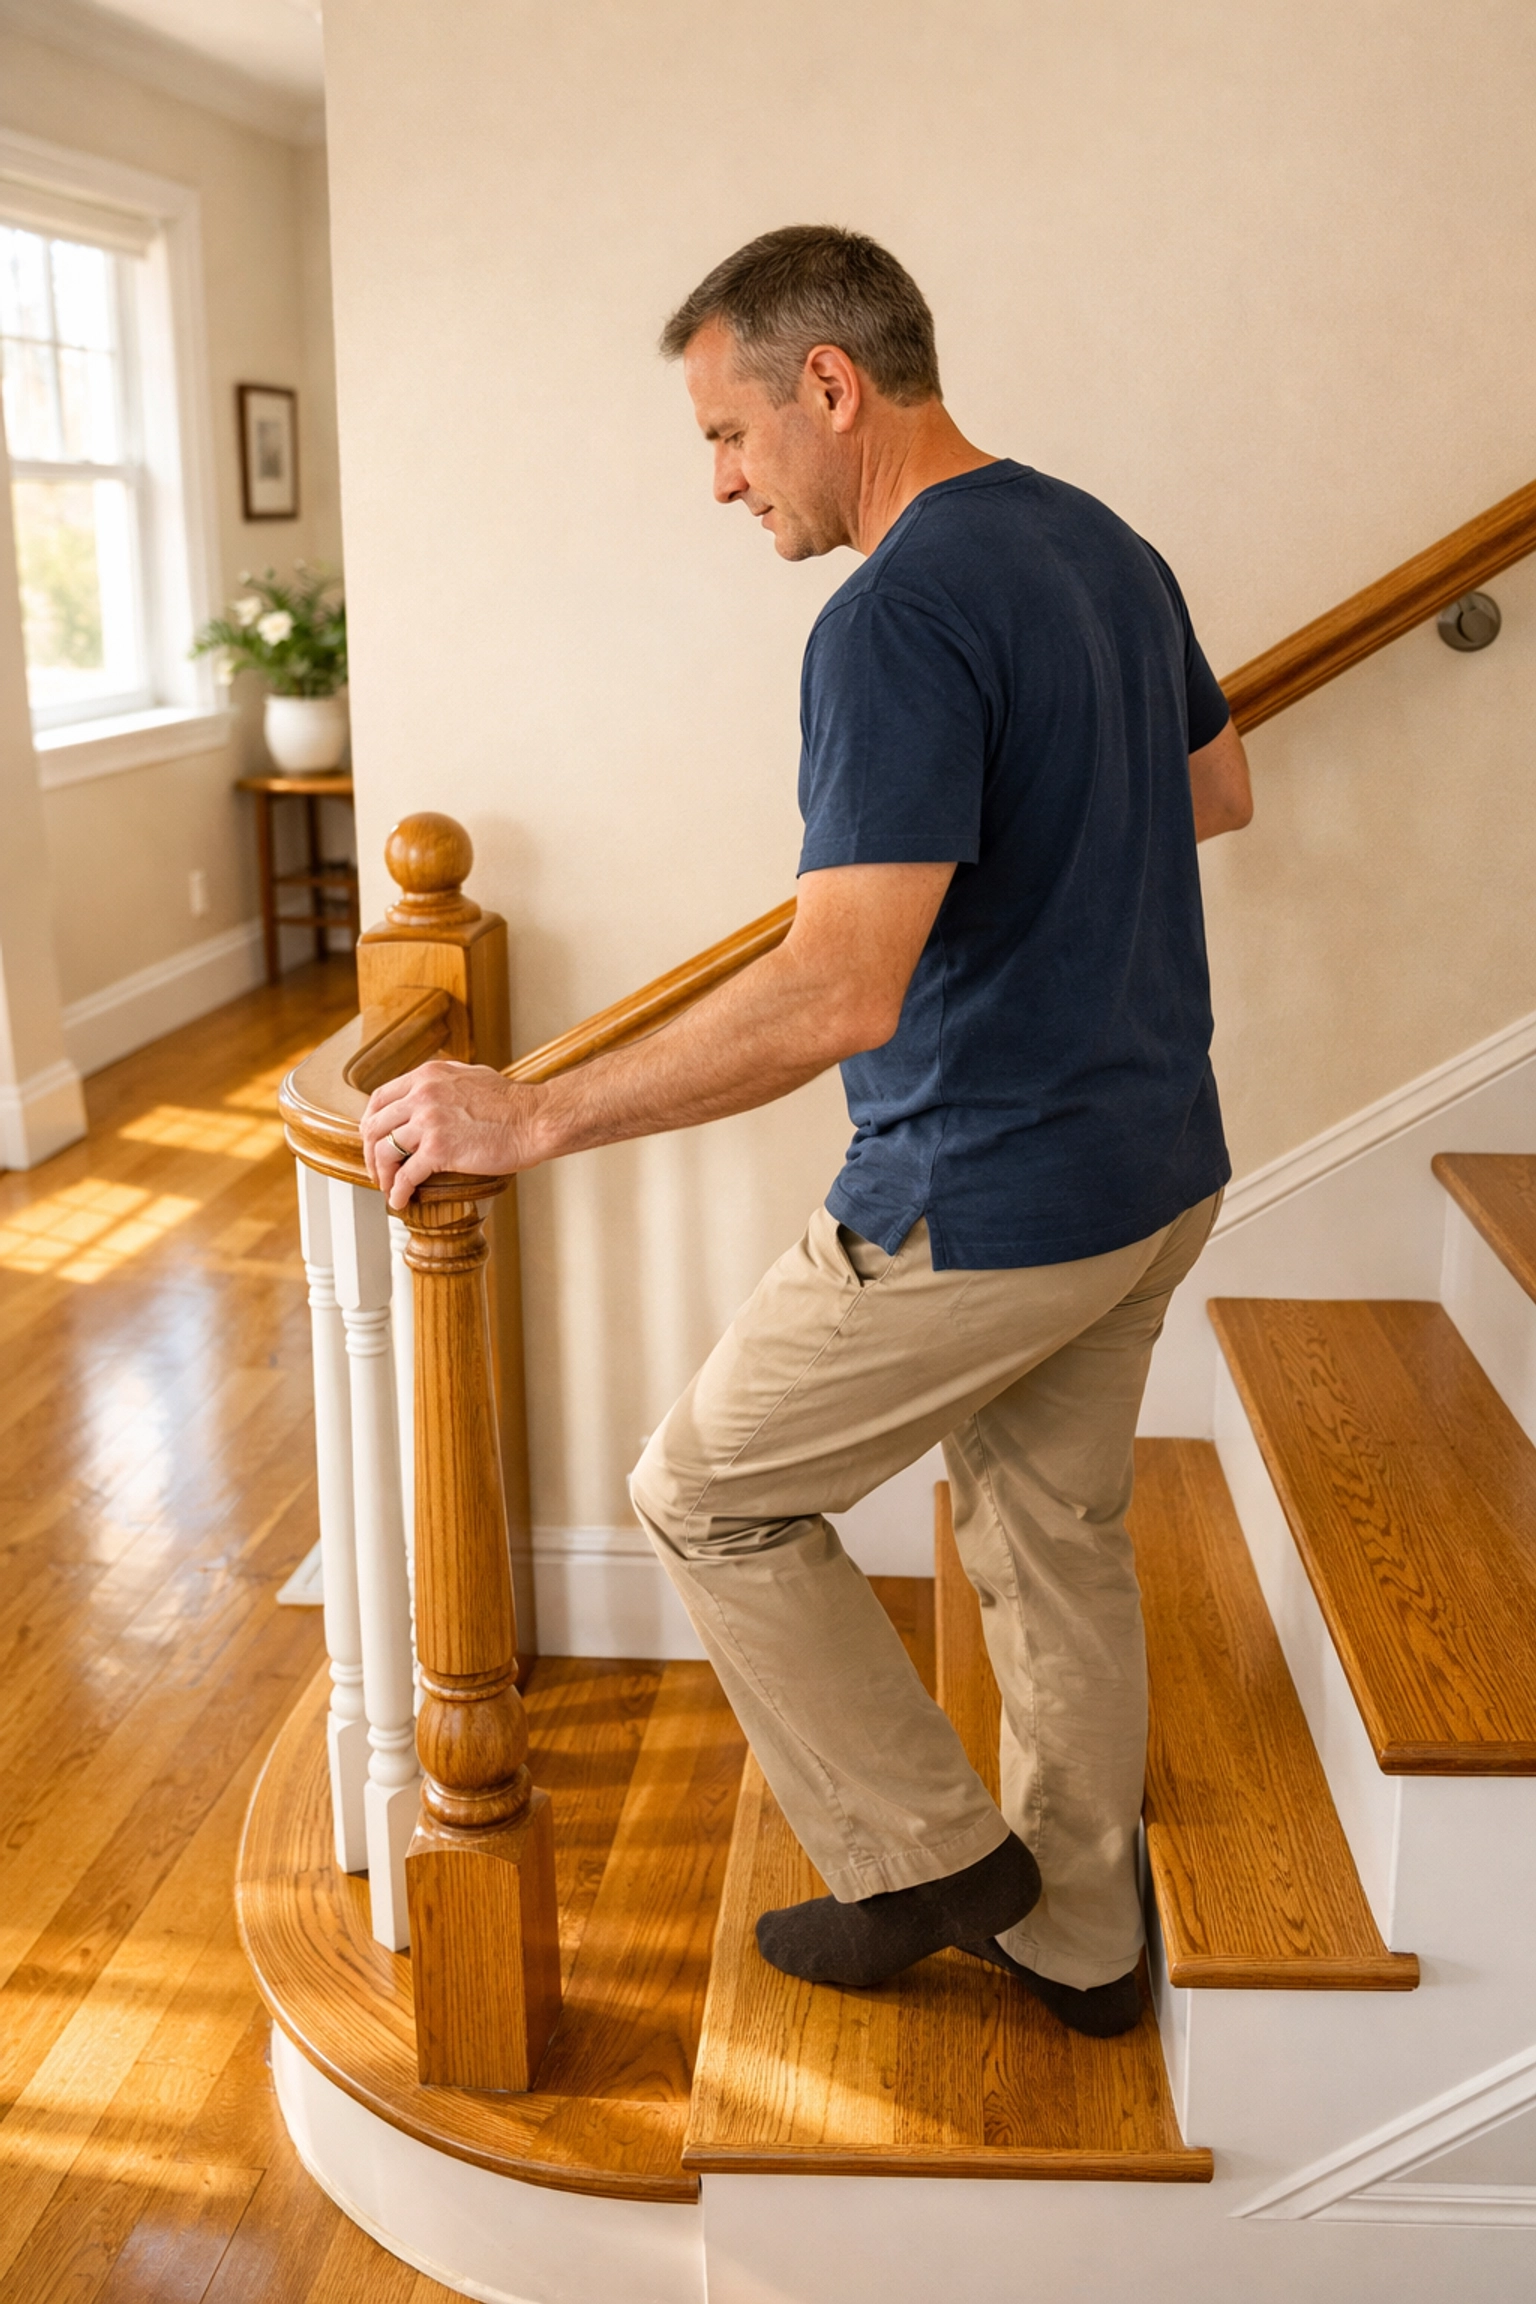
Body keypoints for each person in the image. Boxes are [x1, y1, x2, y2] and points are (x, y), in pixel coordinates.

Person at [361, 225, 1252, 2039]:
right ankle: (1085, 1941)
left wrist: (529, 1111)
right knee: (1052, 1537)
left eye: (729, 433)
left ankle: (930, 1864)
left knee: (706, 1495)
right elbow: (1216, 791)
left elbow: (838, 992)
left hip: (988, 1193)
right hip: (1157, 1163)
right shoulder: (1101, 542)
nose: (721, 481)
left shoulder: (893, 615)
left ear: (829, 386)